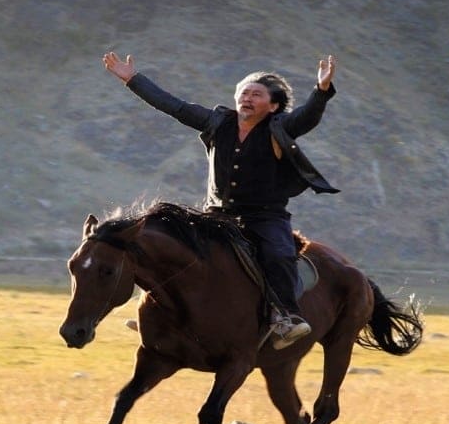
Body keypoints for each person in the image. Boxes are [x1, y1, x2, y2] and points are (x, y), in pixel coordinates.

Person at [102, 51, 341, 349]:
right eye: (244, 92)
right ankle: (157, 314)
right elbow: (174, 106)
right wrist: (132, 80)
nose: (247, 97)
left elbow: (307, 118)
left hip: (265, 218)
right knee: (167, 244)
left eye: (257, 94)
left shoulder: (279, 128)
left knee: (279, 254)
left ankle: (286, 317)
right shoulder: (217, 122)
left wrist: (321, 91)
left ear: (273, 105)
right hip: (216, 215)